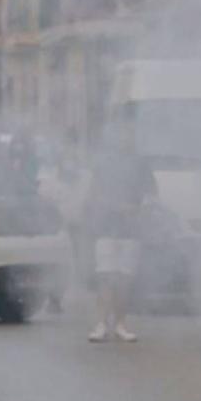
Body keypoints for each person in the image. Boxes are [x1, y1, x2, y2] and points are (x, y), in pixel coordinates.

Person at [87, 127, 154, 343]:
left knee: (125, 280)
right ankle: (100, 324)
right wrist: (114, 207)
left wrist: (139, 209)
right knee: (106, 276)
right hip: (106, 229)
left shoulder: (141, 165)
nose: (126, 140)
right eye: (122, 135)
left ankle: (120, 324)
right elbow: (94, 194)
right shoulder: (103, 165)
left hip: (131, 231)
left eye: (129, 136)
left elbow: (151, 194)